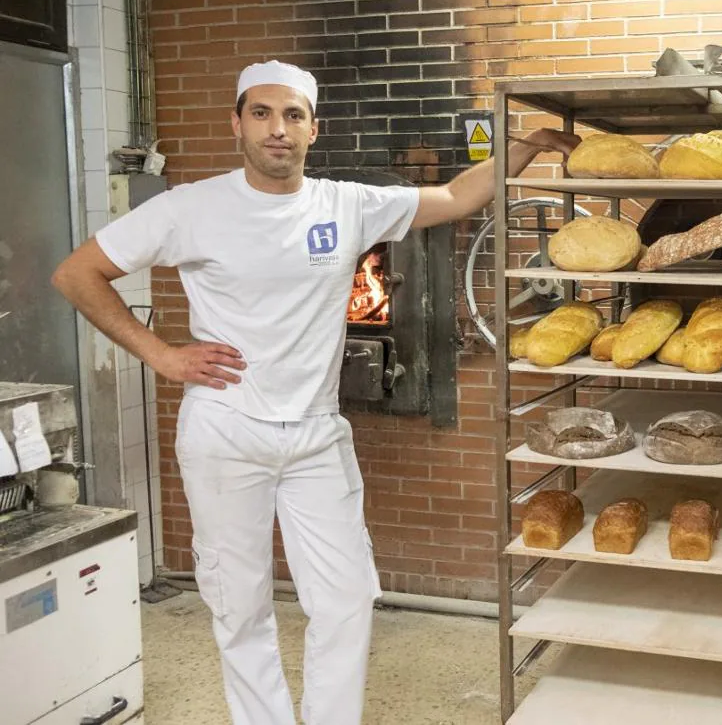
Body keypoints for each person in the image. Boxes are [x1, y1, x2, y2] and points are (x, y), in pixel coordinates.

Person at [52, 60, 579, 725]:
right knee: (238, 604)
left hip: (316, 435)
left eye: (293, 115)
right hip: (225, 430)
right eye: (263, 113)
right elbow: (78, 273)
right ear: (237, 124)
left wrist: (525, 147)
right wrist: (161, 354)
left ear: (312, 128)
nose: (278, 129)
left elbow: (453, 199)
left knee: (347, 598)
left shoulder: (345, 204)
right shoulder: (190, 208)